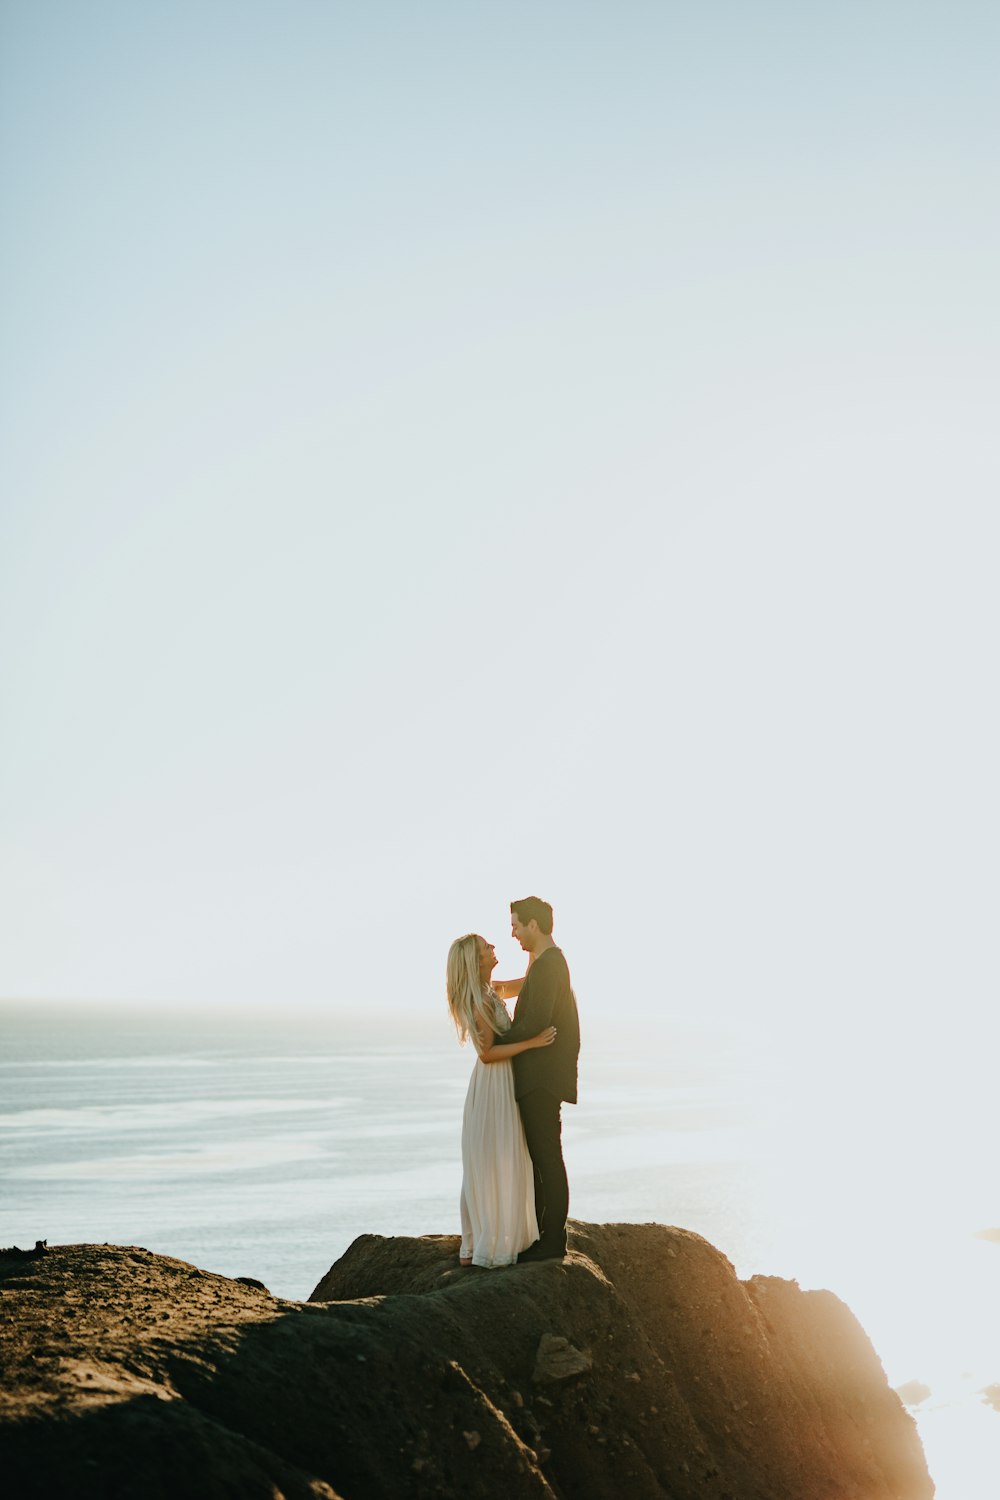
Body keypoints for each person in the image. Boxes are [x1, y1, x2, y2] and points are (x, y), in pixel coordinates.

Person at [446, 932, 557, 1268]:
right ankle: (488, 1241)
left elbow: (526, 983)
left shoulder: (490, 990)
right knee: (497, 1156)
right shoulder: (478, 999)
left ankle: (485, 1237)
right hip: (495, 1082)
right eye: (486, 948)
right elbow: (488, 1054)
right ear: (476, 960)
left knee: (499, 1156)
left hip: (502, 1081)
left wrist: (536, 947)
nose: (494, 948)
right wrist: (533, 1042)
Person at [496, 897, 580, 1262]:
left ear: (533, 924)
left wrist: (494, 1043)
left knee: (547, 1157)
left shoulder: (550, 965)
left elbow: (535, 1021)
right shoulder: (544, 963)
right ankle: (543, 1235)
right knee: (542, 1158)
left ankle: (552, 1241)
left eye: (516, 925)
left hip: (542, 1078)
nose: (513, 933)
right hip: (540, 1075)